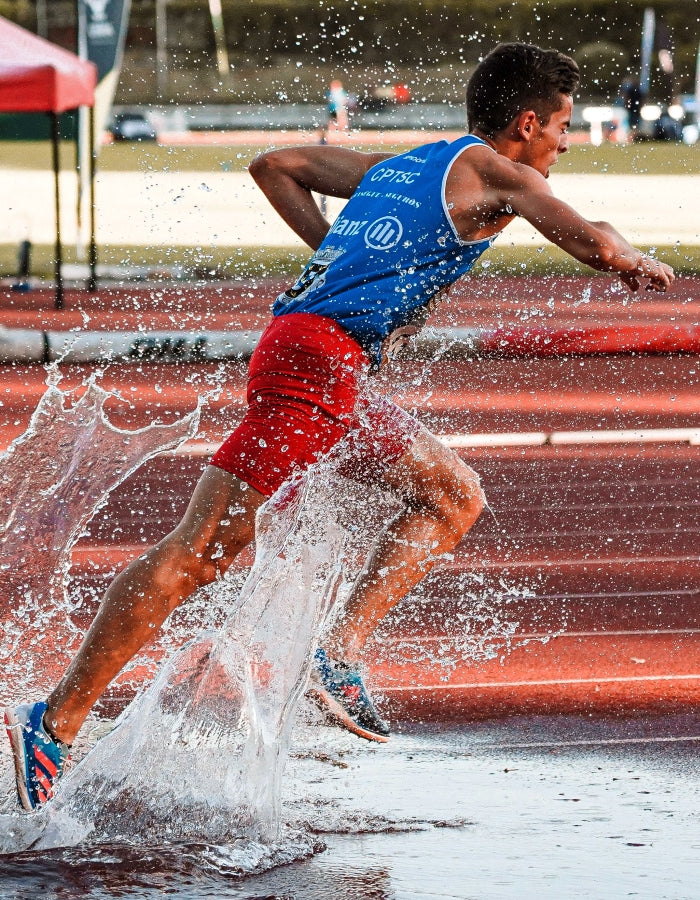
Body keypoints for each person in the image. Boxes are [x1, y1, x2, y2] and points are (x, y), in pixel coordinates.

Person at [4, 42, 674, 811]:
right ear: (527, 122)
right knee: (199, 554)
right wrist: (635, 263)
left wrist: (338, 256)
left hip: (327, 369)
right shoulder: (502, 173)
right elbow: (596, 243)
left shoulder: (408, 165)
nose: (566, 143)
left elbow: (276, 165)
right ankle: (54, 719)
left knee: (453, 495)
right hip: (312, 370)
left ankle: (337, 652)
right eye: (562, 127)